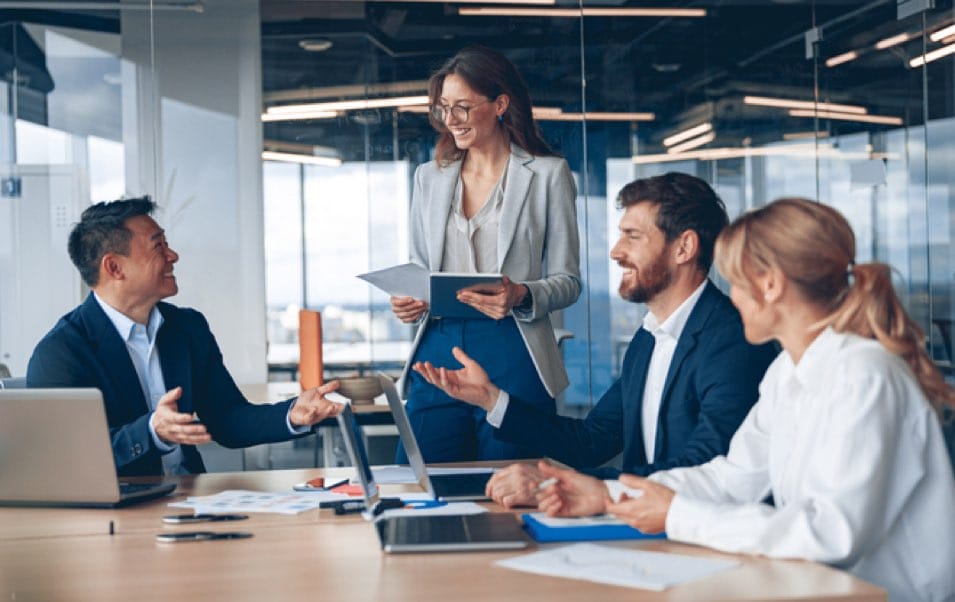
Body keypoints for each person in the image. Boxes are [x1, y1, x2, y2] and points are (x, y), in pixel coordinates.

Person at [537, 198, 955, 601]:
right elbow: (732, 477)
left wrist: (678, 514)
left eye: (736, 282)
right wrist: (610, 496)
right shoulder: (787, 372)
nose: (731, 297)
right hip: (819, 588)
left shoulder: (864, 375)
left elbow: (829, 533)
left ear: (770, 285)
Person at [414, 172, 777, 507]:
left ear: (684, 248)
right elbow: (591, 441)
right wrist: (490, 398)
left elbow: (704, 466)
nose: (616, 252)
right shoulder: (649, 337)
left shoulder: (733, 341)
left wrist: (560, 486)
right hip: (643, 525)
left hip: (698, 536)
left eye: (632, 237)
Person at [27, 197, 343, 477]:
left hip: (190, 499)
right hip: (119, 512)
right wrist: (151, 432)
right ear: (114, 267)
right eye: (158, 246)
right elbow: (67, 460)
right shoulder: (60, 352)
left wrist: (291, 414)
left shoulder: (187, 327)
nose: (173, 255)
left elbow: (228, 419)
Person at [391, 45, 581, 463]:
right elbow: (420, 268)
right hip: (438, 343)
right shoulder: (429, 177)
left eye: (462, 107)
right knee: (423, 478)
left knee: (510, 482)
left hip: (514, 343)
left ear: (500, 105)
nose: (451, 120)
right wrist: (410, 300)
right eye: (443, 108)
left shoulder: (548, 174)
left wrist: (522, 294)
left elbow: (568, 282)